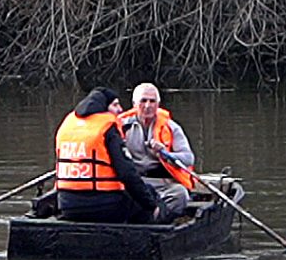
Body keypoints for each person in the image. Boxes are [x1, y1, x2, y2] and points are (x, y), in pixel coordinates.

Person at [54, 86, 163, 224]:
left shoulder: (67, 125)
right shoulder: (107, 127)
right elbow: (127, 174)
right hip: (104, 207)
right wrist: (151, 205)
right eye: (115, 104)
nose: (120, 110)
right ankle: (145, 240)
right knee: (149, 195)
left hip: (67, 206)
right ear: (104, 107)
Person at [120, 82, 196, 222]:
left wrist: (165, 153)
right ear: (134, 104)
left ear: (158, 104)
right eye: (143, 101)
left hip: (162, 182)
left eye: (152, 101)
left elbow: (188, 158)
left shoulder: (171, 127)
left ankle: (154, 222)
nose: (148, 106)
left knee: (180, 195)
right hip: (134, 182)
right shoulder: (121, 126)